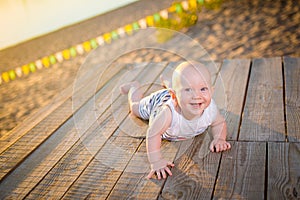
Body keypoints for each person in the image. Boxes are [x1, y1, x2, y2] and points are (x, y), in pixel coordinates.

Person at [120, 61, 231, 179]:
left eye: (203, 89)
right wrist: (156, 161)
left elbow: (219, 122)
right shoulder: (167, 114)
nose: (196, 96)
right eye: (188, 90)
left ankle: (168, 82)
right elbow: (153, 133)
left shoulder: (211, 109)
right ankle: (133, 87)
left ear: (212, 91)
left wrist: (219, 138)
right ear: (174, 96)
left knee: (179, 87)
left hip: (175, 94)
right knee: (135, 108)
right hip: (158, 102)